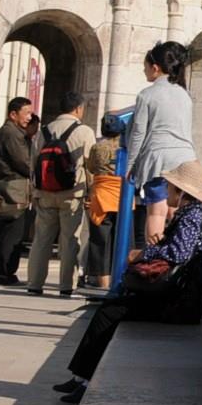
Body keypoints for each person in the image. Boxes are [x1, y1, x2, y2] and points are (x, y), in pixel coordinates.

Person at [52, 158, 202, 403]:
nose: (167, 191)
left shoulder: (193, 214)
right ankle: (80, 378)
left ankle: (84, 381)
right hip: (178, 295)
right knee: (110, 309)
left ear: (181, 192)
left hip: (178, 302)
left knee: (109, 312)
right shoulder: (194, 212)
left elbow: (179, 253)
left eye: (170, 187)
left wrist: (143, 253)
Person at [26, 90, 96, 298]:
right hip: (72, 194)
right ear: (78, 108)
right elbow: (91, 165)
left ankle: (34, 283)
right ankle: (66, 285)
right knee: (70, 240)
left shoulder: (43, 131)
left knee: (41, 239)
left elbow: (33, 163)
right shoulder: (84, 132)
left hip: (45, 192)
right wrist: (90, 191)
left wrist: (34, 191)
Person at [125, 41, 195, 245]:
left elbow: (138, 134)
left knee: (156, 212)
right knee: (174, 210)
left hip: (158, 160)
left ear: (155, 68)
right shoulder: (185, 95)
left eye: (145, 66)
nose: (143, 70)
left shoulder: (147, 95)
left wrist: (130, 166)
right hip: (184, 160)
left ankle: (154, 262)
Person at [0, 96, 34, 286]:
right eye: (26, 113)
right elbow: (24, 163)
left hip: (4, 189)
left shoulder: (7, 131)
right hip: (13, 191)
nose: (29, 117)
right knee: (12, 234)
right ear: (13, 114)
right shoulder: (12, 133)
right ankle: (4, 273)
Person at [81, 117, 122, 292]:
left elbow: (90, 167)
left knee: (100, 240)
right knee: (119, 240)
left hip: (101, 196)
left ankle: (102, 281)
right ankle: (117, 278)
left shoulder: (97, 147)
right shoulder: (125, 148)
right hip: (122, 197)